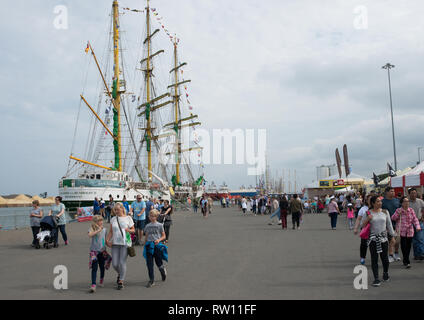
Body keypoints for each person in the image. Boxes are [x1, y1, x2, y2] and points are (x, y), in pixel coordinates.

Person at [362, 196, 395, 287]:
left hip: (383, 239)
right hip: (373, 239)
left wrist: (392, 236)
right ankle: (376, 278)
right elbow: (362, 225)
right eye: (377, 201)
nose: (380, 203)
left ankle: (385, 272)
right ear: (373, 203)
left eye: (380, 201)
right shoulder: (368, 213)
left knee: (384, 258)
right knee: (374, 259)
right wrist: (368, 219)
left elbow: (389, 224)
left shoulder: (385, 212)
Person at [106, 202, 135, 290]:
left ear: (122, 209)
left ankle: (121, 281)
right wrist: (107, 240)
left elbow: (133, 230)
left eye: (117, 209)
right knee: (115, 264)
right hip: (115, 243)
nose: (116, 211)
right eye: (115, 210)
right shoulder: (113, 219)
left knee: (122, 262)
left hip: (125, 243)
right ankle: (120, 273)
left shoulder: (128, 218)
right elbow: (111, 231)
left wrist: (128, 230)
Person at [391, 197, 421, 268]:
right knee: (404, 247)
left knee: (408, 247)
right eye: (405, 201)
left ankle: (405, 259)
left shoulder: (411, 210)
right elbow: (393, 218)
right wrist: (398, 214)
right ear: (401, 203)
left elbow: (415, 219)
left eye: (407, 201)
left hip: (410, 231)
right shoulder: (398, 210)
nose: (407, 203)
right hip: (401, 231)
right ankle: (406, 260)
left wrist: (417, 226)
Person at [143, 209, 168, 288]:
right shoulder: (147, 226)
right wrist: (145, 243)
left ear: (156, 217)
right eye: (150, 216)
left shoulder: (160, 225)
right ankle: (151, 280)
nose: (152, 218)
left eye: (153, 216)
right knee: (149, 264)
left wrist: (159, 240)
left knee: (158, 263)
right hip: (149, 246)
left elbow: (164, 236)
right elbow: (146, 236)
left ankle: (162, 271)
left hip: (157, 246)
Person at [88, 215, 111, 293]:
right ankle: (93, 284)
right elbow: (90, 235)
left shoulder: (104, 230)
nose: (101, 222)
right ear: (95, 222)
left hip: (102, 251)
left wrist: (111, 245)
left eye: (101, 220)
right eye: (99, 221)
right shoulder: (91, 228)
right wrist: (98, 230)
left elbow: (105, 240)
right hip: (94, 251)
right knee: (94, 268)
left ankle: (101, 280)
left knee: (102, 267)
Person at [382, 187, 401, 263]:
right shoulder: (382, 202)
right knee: (391, 240)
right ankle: (390, 255)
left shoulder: (397, 201)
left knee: (397, 241)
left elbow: (400, 210)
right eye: (391, 191)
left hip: (397, 223)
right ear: (386, 192)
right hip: (387, 224)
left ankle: (396, 253)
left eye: (393, 191)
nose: (393, 192)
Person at [354, 194, 371, 265]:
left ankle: (374, 258)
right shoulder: (363, 209)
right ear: (366, 200)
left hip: (375, 229)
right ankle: (362, 257)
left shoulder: (377, 209)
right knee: (364, 244)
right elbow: (358, 219)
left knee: (374, 245)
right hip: (365, 229)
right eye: (369, 199)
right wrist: (355, 228)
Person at [408, 188, 424, 260]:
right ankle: (416, 255)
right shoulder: (407, 202)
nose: (414, 194)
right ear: (409, 194)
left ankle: (421, 253)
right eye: (412, 193)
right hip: (411, 223)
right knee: (414, 240)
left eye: (415, 193)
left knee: (420, 239)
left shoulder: (420, 201)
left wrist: (423, 217)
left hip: (419, 222)